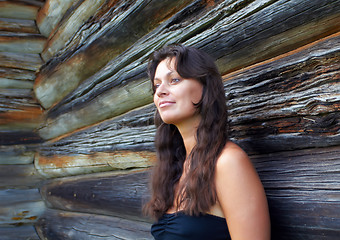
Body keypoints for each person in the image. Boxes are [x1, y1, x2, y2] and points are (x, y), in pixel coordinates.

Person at [144, 44, 270, 240]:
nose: (161, 91)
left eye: (174, 80)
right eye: (157, 85)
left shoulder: (227, 162)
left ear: (205, 87)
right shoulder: (176, 167)